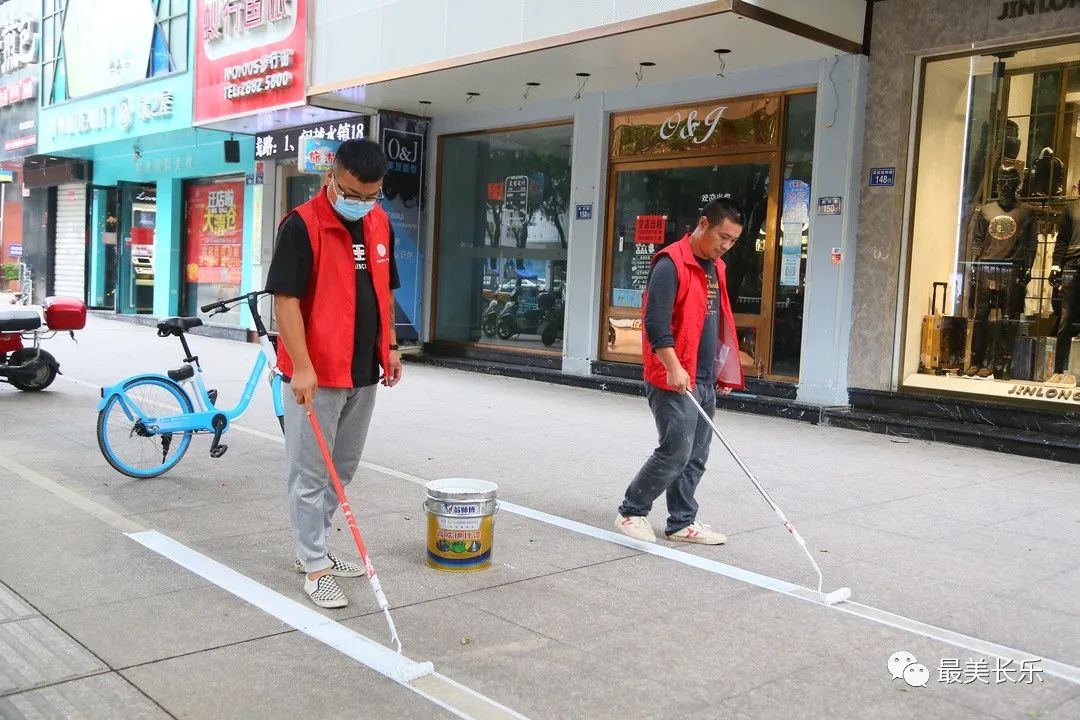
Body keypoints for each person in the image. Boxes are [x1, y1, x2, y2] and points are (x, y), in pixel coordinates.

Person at [265, 138, 403, 609]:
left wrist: (391, 346)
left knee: (341, 469)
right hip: (316, 374)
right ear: (331, 176)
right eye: (351, 193)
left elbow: (384, 291)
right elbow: (285, 301)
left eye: (371, 195)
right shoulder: (302, 225)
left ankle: (315, 548)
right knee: (309, 474)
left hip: (363, 370)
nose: (360, 203)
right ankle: (315, 568)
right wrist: (302, 367)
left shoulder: (380, 223)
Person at [616, 198, 746, 545]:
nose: (726, 245)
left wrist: (721, 370)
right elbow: (655, 323)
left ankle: (681, 522)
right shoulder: (670, 264)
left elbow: (714, 321)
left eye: (733, 241)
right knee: (675, 451)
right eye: (723, 236)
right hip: (673, 377)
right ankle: (631, 512)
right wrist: (673, 367)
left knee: (696, 455)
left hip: (703, 376)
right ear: (703, 224)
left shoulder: (716, 267)